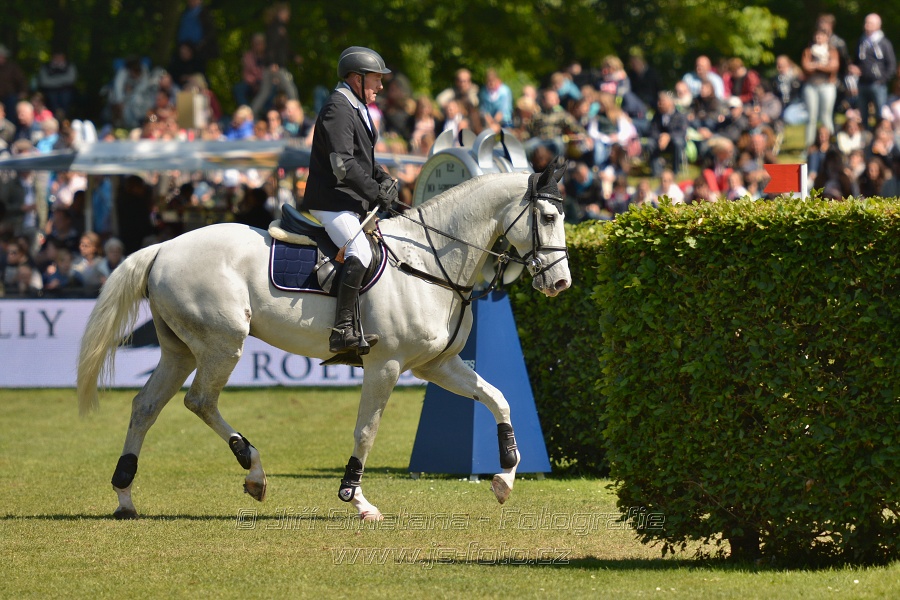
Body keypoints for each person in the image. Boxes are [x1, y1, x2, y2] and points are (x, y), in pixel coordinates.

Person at [302, 46, 397, 355]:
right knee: (359, 251)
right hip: (331, 201)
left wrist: (382, 178)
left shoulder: (355, 106)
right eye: (375, 80)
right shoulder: (338, 108)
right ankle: (342, 329)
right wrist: (374, 192)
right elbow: (342, 164)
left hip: (347, 200)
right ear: (357, 79)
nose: (380, 87)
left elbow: (362, 159)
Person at [849, 13, 896, 130]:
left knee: (880, 114)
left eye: (870, 23)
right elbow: (857, 60)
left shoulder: (884, 43)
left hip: (877, 85)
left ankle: (880, 137)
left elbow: (891, 64)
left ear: (877, 25)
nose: (866, 25)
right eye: (866, 22)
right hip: (862, 83)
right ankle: (866, 139)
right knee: (862, 114)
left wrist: (882, 80)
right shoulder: (862, 42)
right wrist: (854, 68)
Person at [801, 28, 840, 150]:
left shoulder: (832, 51)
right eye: (817, 36)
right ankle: (809, 145)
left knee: (826, 116)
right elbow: (806, 67)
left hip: (827, 86)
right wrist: (822, 66)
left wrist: (816, 65)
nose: (819, 38)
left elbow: (833, 67)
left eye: (821, 36)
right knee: (811, 117)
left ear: (826, 38)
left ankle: (830, 144)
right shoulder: (808, 51)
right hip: (811, 86)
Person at [647, 91, 688, 177]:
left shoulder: (680, 116)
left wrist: (669, 136)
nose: (659, 104)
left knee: (678, 142)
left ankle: (675, 171)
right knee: (650, 143)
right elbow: (652, 131)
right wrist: (661, 137)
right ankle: (657, 172)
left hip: (674, 143)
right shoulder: (657, 116)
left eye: (663, 102)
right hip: (660, 142)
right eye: (659, 102)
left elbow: (682, 132)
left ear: (671, 103)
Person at [37, 51, 78, 117]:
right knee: (52, 99)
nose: (58, 59)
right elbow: (44, 82)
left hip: (67, 91)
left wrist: (53, 80)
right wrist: (62, 81)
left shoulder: (70, 66)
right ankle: (54, 118)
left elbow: (71, 80)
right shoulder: (46, 67)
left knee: (66, 98)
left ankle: (64, 119)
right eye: (56, 57)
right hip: (49, 92)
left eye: (60, 57)